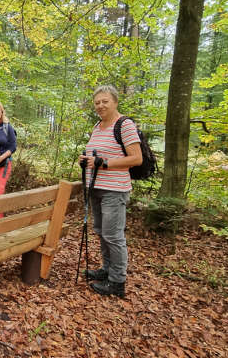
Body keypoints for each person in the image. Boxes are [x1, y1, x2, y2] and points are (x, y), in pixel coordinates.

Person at [78, 85, 142, 298]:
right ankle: (107, 269)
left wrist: (103, 163)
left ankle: (117, 281)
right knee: (101, 231)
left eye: (105, 101)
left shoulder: (125, 125)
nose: (100, 105)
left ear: (115, 101)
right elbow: (96, 155)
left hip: (114, 190)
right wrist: (87, 160)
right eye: (97, 102)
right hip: (95, 187)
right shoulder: (98, 126)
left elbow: (136, 158)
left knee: (113, 235)